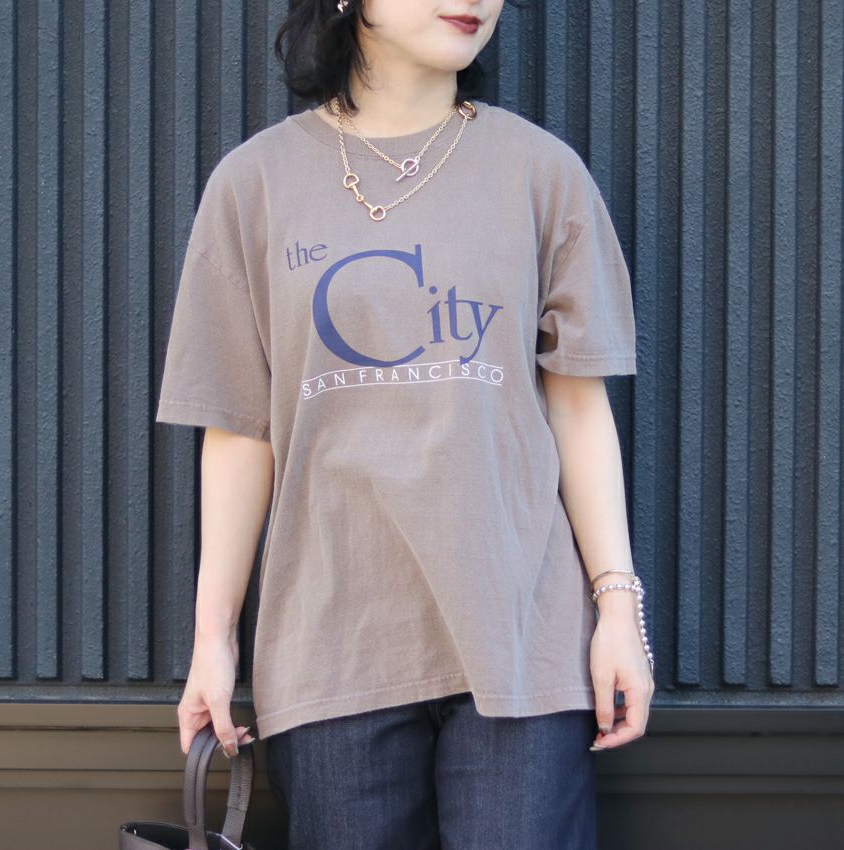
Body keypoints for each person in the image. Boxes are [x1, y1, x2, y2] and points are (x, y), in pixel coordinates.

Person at [155, 0, 655, 846]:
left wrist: (618, 612)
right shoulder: (255, 183)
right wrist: (213, 641)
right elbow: (240, 433)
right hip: (330, 649)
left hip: (521, 640)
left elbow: (578, 406)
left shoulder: (540, 172)